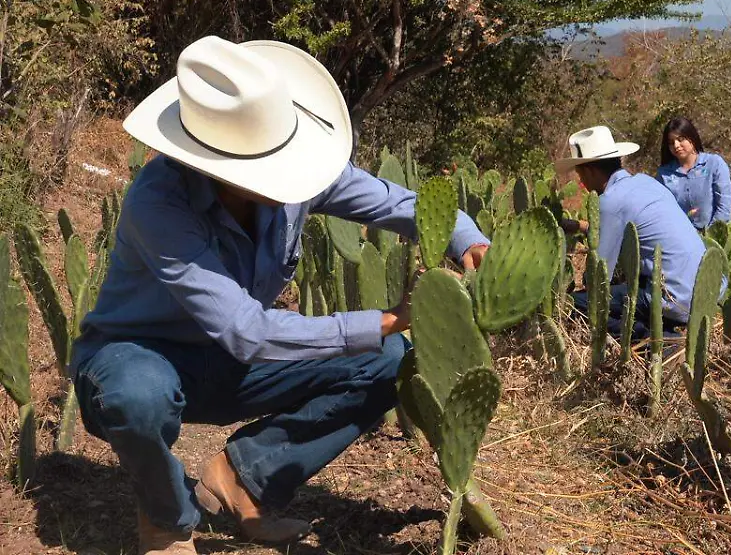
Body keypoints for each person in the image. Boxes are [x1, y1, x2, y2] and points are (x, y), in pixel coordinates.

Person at [70, 36, 490, 554]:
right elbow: (246, 331)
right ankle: (167, 522)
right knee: (137, 396)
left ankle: (245, 481)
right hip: (141, 355)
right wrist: (388, 317)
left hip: (225, 362)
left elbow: (392, 203)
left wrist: (466, 236)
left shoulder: (300, 169)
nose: (290, 177)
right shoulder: (158, 205)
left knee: (386, 360)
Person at [555, 125, 711, 345]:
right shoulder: (646, 183)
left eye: (580, 173)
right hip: (705, 292)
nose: (582, 181)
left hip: (674, 300)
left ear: (589, 170)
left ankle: (659, 341)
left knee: (576, 304)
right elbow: (628, 233)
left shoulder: (609, 201)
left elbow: (600, 278)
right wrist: (579, 226)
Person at [654, 117, 731, 230]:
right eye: (671, 143)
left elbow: (724, 207)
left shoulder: (714, 164)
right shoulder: (664, 174)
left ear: (692, 137)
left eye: (681, 139)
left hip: (715, 237)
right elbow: (662, 210)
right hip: (681, 239)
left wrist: (710, 235)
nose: (676, 145)